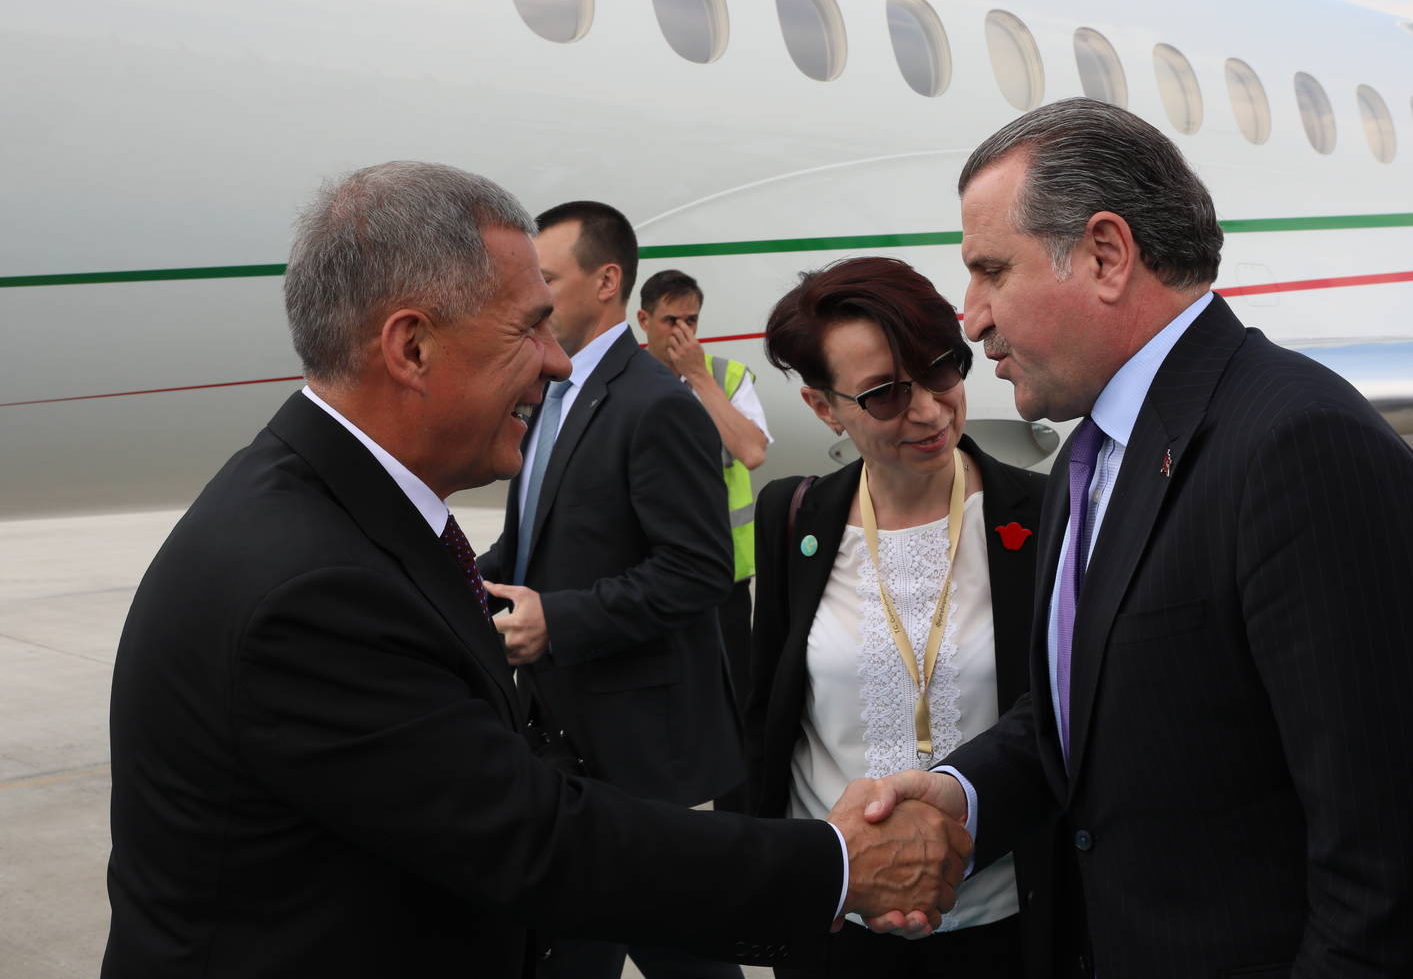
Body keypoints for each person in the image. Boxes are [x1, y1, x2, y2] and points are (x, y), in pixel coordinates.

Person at [100, 162, 970, 978]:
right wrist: (837, 862)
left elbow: (689, 568)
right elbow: (536, 844)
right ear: (411, 348)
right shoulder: (310, 587)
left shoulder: (323, 505)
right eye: (527, 328)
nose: (555, 361)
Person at [852, 99, 1413, 977]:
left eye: (990, 271)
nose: (971, 317)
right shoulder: (1095, 458)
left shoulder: (1300, 447)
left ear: (1106, 255)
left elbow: (1392, 868)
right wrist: (963, 793)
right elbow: (1093, 709)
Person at [746, 256, 1058, 978]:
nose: (928, 410)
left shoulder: (1043, 516)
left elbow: (1058, 717)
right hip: (836, 929)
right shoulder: (792, 518)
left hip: (1000, 923)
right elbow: (768, 719)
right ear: (824, 407)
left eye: (943, 369)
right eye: (884, 394)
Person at [474, 202, 742, 979]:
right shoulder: (549, 395)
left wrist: (556, 621)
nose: (530, 298)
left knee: (681, 956)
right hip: (560, 738)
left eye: (546, 279)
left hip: (637, 754)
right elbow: (531, 543)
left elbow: (699, 569)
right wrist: (453, 579)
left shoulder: (655, 404)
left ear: (606, 282)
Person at [636, 267, 772, 712]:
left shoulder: (726, 377)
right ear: (644, 321)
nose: (682, 332)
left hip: (722, 569)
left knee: (733, 691)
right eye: (670, 321)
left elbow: (752, 451)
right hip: (650, 568)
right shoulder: (626, 381)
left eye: (690, 321)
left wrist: (699, 379)